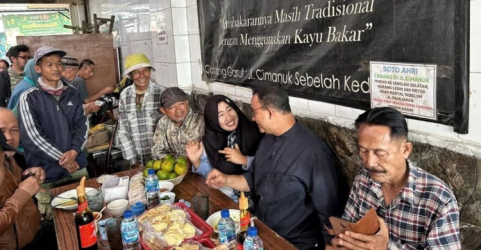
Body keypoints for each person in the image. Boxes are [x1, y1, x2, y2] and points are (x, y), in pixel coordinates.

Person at [206, 84, 341, 250]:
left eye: (255, 112)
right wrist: (225, 179)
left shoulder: (313, 153)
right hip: (262, 234)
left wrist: (330, 246)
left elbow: (329, 212)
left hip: (294, 244)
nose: (253, 118)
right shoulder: (268, 140)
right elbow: (253, 180)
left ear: (270, 112)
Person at [329, 107, 461, 250]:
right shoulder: (363, 179)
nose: (369, 162)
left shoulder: (439, 200)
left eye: (380, 153)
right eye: (363, 151)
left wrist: (386, 247)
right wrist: (342, 243)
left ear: (405, 150)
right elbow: (348, 230)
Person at [18, 46, 89, 189]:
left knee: (89, 207)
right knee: (53, 211)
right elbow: (33, 137)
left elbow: (83, 124)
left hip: (77, 167)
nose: (56, 68)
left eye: (58, 63)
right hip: (46, 173)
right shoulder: (29, 98)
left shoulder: (72, 93)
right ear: (38, 69)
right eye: (49, 64)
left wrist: (74, 152)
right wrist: (65, 160)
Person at [0, 108, 58, 250]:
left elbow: (12, 187)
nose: (8, 137)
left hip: (33, 233)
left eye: (14, 130)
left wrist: (28, 176)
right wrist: (23, 193)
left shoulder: (10, 158)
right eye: (1, 131)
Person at [118, 53, 163, 168]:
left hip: (161, 160)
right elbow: (123, 131)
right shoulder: (125, 96)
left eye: (145, 71)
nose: (142, 75)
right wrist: (133, 161)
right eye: (137, 72)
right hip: (136, 160)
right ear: (130, 75)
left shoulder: (161, 93)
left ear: (150, 72)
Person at [151, 87, 204, 160]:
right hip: (172, 168)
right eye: (172, 107)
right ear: (163, 110)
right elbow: (157, 149)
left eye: (181, 104)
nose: (178, 110)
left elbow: (210, 154)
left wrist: (192, 162)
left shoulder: (201, 121)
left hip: (198, 168)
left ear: (187, 102)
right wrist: (172, 163)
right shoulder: (163, 122)